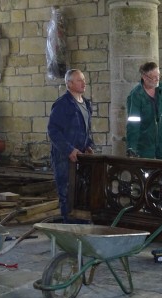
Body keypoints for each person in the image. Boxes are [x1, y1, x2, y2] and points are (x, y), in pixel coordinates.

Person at [48, 69, 94, 223]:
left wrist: (88, 145)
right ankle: (69, 227)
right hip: (64, 156)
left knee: (80, 190)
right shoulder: (62, 104)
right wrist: (69, 149)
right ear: (69, 84)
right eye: (79, 80)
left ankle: (80, 224)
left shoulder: (86, 103)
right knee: (66, 191)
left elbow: (86, 128)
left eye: (83, 79)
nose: (84, 83)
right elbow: (53, 131)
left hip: (80, 155)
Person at [126, 61, 162, 160]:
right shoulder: (136, 95)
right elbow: (133, 122)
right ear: (144, 77)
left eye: (158, 75)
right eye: (154, 77)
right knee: (147, 173)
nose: (157, 79)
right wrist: (131, 146)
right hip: (145, 142)